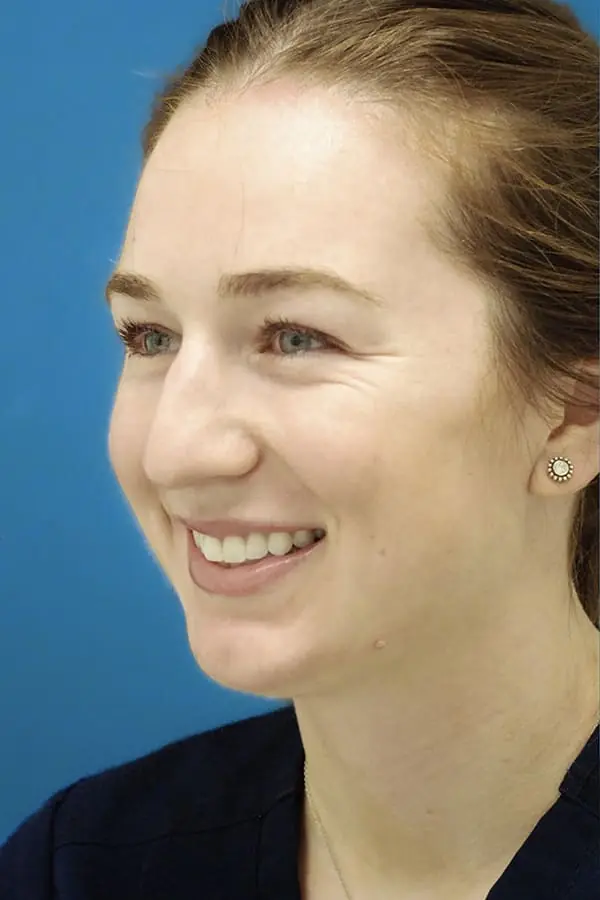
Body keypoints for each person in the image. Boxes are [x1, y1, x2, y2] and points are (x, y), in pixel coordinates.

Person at [1, 0, 599, 897]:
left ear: (573, 415)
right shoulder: (82, 865)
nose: (174, 452)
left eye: (296, 337)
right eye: (150, 336)